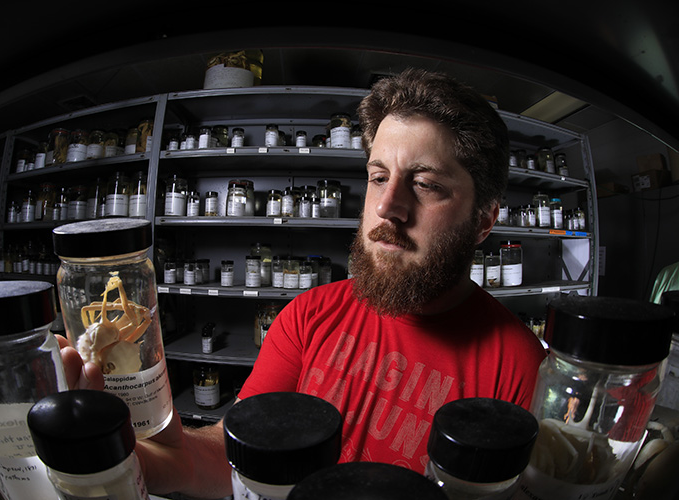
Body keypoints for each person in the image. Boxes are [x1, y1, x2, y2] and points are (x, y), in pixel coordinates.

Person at [59, 68, 547, 498]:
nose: (387, 207)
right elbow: (242, 460)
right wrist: (154, 457)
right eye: (379, 177)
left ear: (484, 220)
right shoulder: (309, 316)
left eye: (425, 184)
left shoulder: (522, 367)